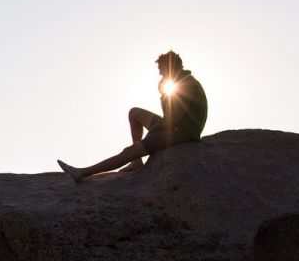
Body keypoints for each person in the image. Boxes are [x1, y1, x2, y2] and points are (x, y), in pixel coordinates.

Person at [57, 51, 208, 182]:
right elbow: (170, 115)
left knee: (129, 151)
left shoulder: (186, 85)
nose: (160, 74)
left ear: (170, 67)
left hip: (182, 132)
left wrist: (150, 136)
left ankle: (82, 173)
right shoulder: (181, 81)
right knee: (134, 113)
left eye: (162, 70)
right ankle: (137, 162)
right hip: (176, 125)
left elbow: (172, 119)